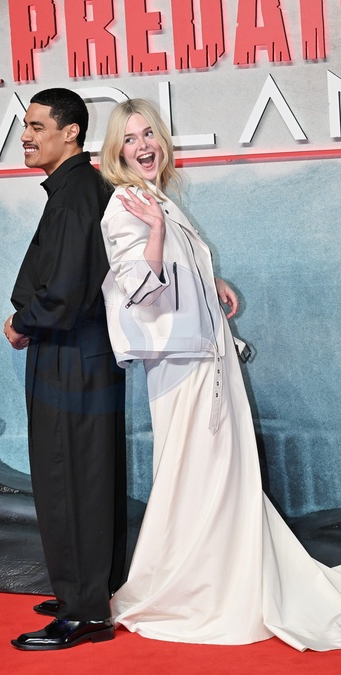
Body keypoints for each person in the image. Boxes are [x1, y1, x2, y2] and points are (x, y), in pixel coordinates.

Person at [98, 98, 341, 651]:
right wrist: (155, 231)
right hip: (182, 365)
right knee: (194, 472)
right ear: (117, 151)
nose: (143, 145)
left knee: (220, 472)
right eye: (130, 138)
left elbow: (179, 269)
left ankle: (228, 576)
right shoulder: (127, 205)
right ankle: (194, 589)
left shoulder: (157, 197)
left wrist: (211, 281)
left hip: (205, 356)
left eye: (149, 134)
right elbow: (140, 290)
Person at [4, 88, 127, 651]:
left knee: (68, 475)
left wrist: (23, 321)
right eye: (25, 126)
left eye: (36, 126)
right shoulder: (76, 189)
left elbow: (68, 290)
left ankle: (85, 612)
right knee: (86, 473)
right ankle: (91, 590)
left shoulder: (77, 194)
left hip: (70, 354)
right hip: (80, 353)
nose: (26, 136)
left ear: (70, 132)